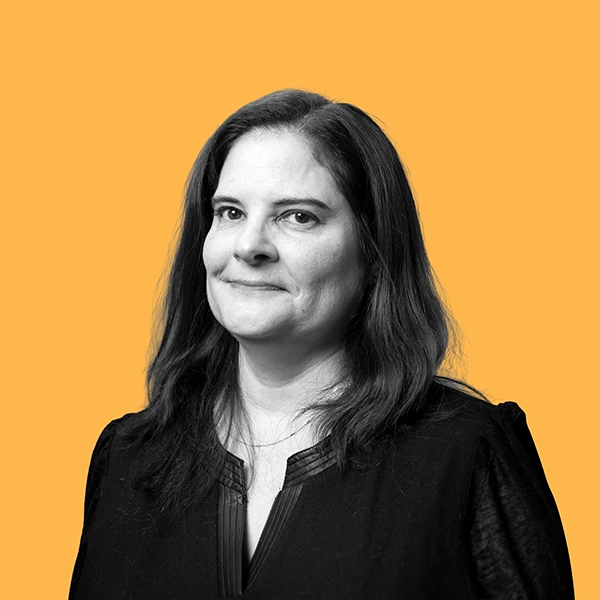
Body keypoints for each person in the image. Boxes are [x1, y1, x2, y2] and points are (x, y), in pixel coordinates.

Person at [69, 90, 574, 599]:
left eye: (298, 216)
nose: (249, 246)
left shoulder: (464, 454)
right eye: (230, 212)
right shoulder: (128, 458)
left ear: (374, 252)